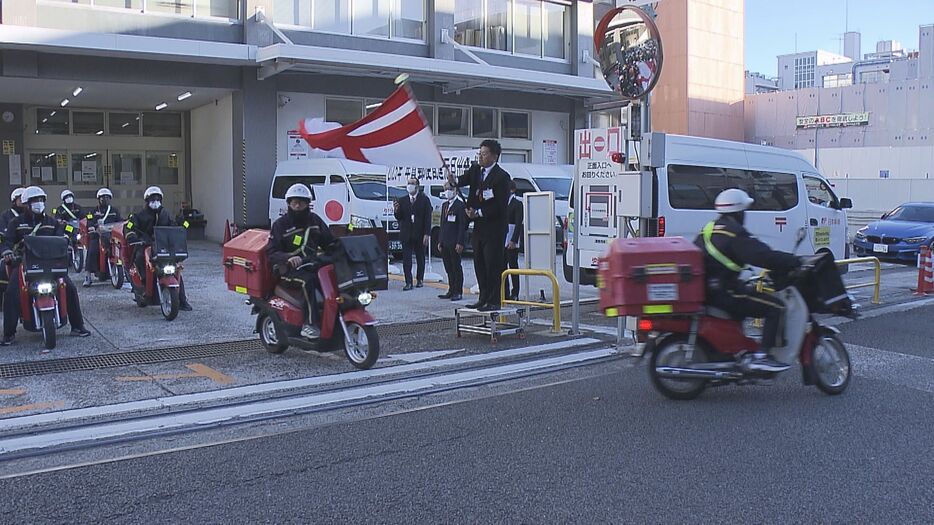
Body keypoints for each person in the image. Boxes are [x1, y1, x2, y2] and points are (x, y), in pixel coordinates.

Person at [693, 188, 801, 373]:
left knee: (750, 296)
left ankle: (738, 349)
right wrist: (793, 261)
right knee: (775, 307)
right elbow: (763, 256)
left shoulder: (711, 227)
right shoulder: (734, 234)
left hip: (710, 288)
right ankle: (762, 356)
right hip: (725, 291)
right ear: (739, 212)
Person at [1, 186, 91, 345]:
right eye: (35, 201)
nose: (39, 204)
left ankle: (78, 326)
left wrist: (70, 240)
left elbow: (62, 235)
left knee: (69, 288)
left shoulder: (52, 222)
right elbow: (6, 241)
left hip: (51, 265)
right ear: (26, 203)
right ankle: (9, 334)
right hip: (25, 264)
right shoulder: (16, 223)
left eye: (41, 200)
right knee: (11, 292)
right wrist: (7, 251)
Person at [266, 183, 335, 339]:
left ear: (307, 203)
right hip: (288, 270)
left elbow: (329, 242)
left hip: (312, 265)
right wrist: (289, 258)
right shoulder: (280, 225)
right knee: (308, 282)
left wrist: (340, 248)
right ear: (289, 203)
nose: (297, 205)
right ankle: (309, 324)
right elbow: (271, 252)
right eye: (294, 202)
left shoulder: (315, 221)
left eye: (301, 202)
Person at [452, 139, 511, 311]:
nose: (481, 157)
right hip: (478, 227)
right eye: (480, 153)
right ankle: (483, 297)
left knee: (493, 263)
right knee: (479, 262)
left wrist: (479, 212)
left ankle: (494, 300)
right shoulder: (476, 171)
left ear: (494, 156)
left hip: (494, 228)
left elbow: (500, 205)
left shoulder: (502, 177)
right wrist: (453, 179)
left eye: (484, 154)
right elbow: (462, 180)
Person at [124, 186, 192, 311]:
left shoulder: (165, 214)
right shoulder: (139, 215)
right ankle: (143, 289)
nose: (155, 201)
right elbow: (129, 227)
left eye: (157, 199)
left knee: (175, 268)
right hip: (144, 245)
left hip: (163, 247)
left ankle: (182, 300)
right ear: (147, 200)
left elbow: (174, 226)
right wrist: (132, 236)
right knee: (140, 259)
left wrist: (184, 223)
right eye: (152, 199)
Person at [393, 175, 432, 291]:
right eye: (409, 183)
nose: (410, 185)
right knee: (407, 259)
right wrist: (396, 210)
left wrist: (427, 234)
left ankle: (420, 279)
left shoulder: (424, 200)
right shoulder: (403, 200)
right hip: (406, 233)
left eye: (412, 183)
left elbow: (427, 218)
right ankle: (408, 282)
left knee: (420, 258)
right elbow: (399, 217)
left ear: (417, 186)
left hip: (419, 234)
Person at [83, 188, 123, 287]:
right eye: (102, 198)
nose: (105, 199)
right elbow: (90, 222)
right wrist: (94, 227)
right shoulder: (92, 212)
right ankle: (88, 275)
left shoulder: (114, 211)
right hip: (97, 235)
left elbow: (119, 221)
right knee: (93, 249)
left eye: (107, 197)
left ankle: (124, 271)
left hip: (110, 235)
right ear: (98, 199)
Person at [437, 182, 468, 302]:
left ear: (455, 190)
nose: (447, 191)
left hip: (455, 241)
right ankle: (451, 289)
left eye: (449, 189)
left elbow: (462, 226)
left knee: (456, 266)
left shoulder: (460, 205)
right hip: (445, 241)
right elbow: (442, 224)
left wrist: (460, 242)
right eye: (445, 189)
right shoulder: (445, 205)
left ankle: (458, 291)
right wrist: (440, 241)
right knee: (448, 267)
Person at [0, 188, 26, 307]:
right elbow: (2, 237)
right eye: (21, 199)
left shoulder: (32, 215)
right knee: (2, 267)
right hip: (10, 251)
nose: (24, 202)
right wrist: (5, 250)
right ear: (14, 201)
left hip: (30, 253)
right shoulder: (5, 217)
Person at [503, 180, 524, 301]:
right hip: (502, 237)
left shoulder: (517, 204)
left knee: (513, 266)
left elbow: (518, 224)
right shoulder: (502, 202)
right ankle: (504, 291)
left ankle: (515, 292)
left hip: (511, 238)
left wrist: (514, 240)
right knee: (502, 266)